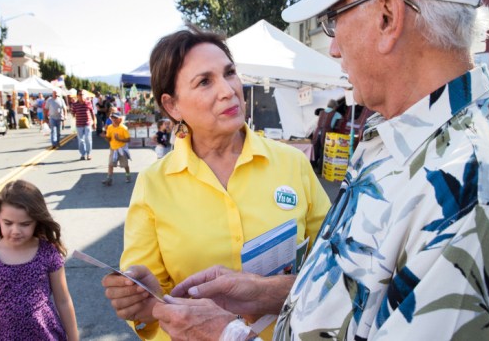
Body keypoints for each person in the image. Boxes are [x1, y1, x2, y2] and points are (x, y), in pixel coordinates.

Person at [146, 0, 489, 339]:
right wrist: (266, 292)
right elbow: (361, 294)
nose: (332, 48)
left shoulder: (476, 194)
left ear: (388, 17)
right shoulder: (396, 139)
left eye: (334, 19)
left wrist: (226, 334)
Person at [100, 25, 331, 340]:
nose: (228, 90)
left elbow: (335, 262)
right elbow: (148, 307)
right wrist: (146, 302)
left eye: (230, 73)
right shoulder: (154, 183)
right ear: (172, 106)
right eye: (205, 82)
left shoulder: (293, 164)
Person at [0, 180, 78, 341]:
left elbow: (63, 300)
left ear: (37, 221)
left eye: (25, 224)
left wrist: (74, 338)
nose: (15, 231)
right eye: (8, 223)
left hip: (46, 335)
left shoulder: (48, 252)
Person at [100, 111, 131, 186]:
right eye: (112, 118)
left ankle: (128, 175)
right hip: (113, 149)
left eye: (115, 118)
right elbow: (109, 139)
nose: (113, 119)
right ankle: (109, 179)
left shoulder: (124, 128)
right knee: (110, 164)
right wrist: (105, 137)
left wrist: (119, 139)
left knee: (125, 165)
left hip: (122, 149)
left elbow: (128, 139)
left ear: (120, 119)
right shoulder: (110, 127)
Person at [71, 90, 97, 160]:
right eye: (80, 94)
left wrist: (94, 123)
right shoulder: (75, 104)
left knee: (88, 139)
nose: (81, 96)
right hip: (79, 124)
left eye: (82, 94)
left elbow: (92, 113)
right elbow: (73, 114)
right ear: (77, 96)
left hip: (87, 123)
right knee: (81, 140)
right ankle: (83, 154)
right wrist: (72, 113)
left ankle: (88, 154)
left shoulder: (88, 103)